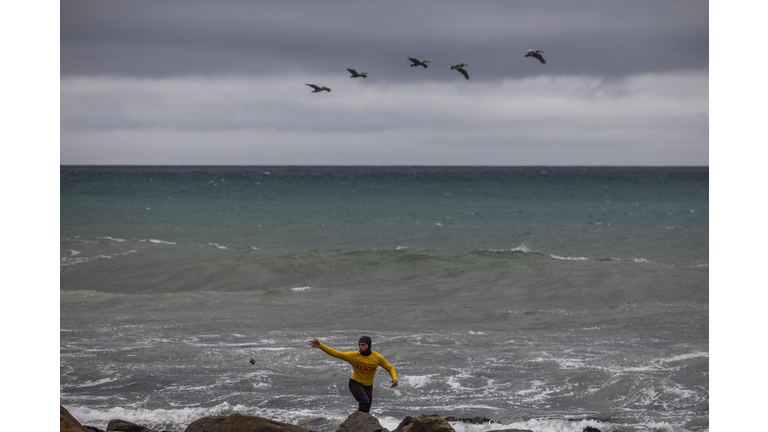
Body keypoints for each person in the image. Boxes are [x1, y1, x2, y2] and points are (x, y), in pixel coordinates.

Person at [308, 336, 398, 413]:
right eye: (359, 345)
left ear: (369, 345)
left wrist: (394, 378)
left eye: (363, 345)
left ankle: (358, 425)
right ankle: (353, 423)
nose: (360, 347)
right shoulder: (354, 356)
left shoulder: (377, 357)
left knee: (366, 410)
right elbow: (337, 354)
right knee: (365, 402)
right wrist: (321, 346)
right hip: (355, 383)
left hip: (368, 386)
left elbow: (389, 368)